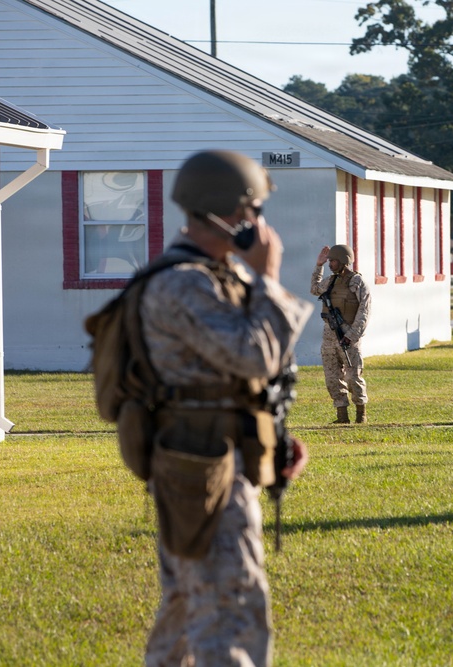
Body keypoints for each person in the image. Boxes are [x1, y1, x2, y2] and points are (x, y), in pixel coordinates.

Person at [140, 150, 312, 667]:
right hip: (203, 468)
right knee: (233, 613)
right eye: (253, 210)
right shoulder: (182, 283)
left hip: (211, 455)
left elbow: (246, 375)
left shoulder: (211, 276)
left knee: (188, 613)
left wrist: (272, 435)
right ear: (227, 214)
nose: (259, 224)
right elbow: (253, 352)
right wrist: (270, 277)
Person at [310, 244, 371, 424]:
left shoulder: (358, 283)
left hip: (348, 336)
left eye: (333, 261)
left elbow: (364, 312)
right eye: (329, 261)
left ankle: (361, 415)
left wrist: (351, 335)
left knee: (353, 377)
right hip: (329, 336)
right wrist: (318, 265)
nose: (331, 264)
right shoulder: (331, 281)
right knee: (332, 377)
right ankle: (342, 416)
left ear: (344, 261)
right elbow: (314, 289)